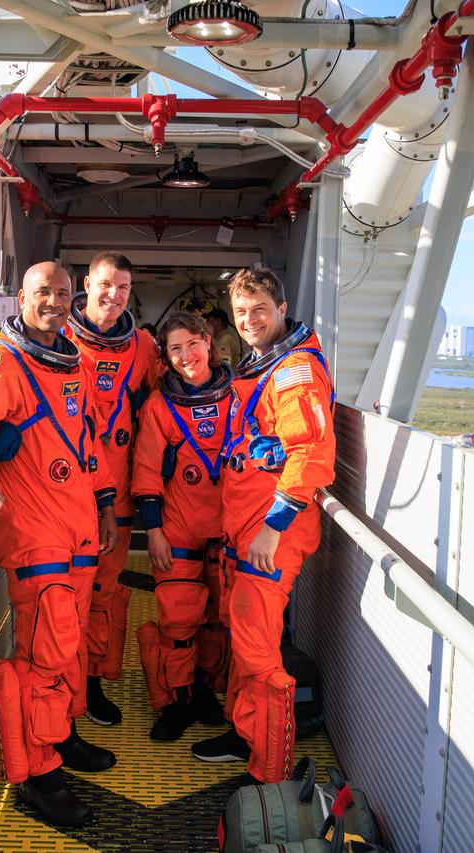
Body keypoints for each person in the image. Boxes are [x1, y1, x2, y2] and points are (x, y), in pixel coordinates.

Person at [0, 261, 120, 827]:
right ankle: (38, 775)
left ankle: (61, 736)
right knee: (45, 653)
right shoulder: (1, 363)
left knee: (69, 647)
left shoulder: (70, 360)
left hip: (77, 524)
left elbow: (85, 437)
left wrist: (104, 505)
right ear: (21, 297)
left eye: (63, 293)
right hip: (34, 530)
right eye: (42, 292)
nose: (54, 301)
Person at [190, 266, 336, 784]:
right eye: (241, 312)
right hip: (245, 531)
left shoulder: (294, 370)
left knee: (257, 652)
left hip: (270, 535)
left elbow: (310, 453)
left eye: (259, 310)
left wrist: (273, 529)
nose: (250, 320)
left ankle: (269, 769)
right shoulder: (262, 366)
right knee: (245, 642)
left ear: (281, 308)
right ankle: (245, 732)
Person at [63, 251, 161, 726]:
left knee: (103, 594)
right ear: (87, 283)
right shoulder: (55, 336)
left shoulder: (142, 347)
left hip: (116, 498)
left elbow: (170, 399)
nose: (113, 295)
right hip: (63, 496)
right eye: (105, 284)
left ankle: (93, 682)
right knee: (62, 597)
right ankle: (60, 686)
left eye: (123, 288)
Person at [131, 312, 231, 741]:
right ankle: (179, 698)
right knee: (178, 624)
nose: (186, 355)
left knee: (217, 621)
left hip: (228, 530)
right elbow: (147, 472)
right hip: (178, 530)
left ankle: (205, 688)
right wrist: (153, 531)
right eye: (175, 349)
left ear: (208, 342)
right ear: (166, 358)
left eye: (193, 343)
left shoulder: (240, 397)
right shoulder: (160, 407)